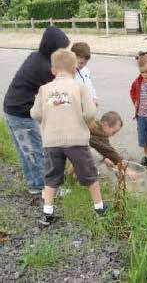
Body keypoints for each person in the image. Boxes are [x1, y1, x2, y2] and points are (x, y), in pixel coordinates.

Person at [30, 49, 108, 227]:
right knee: (89, 174)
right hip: (76, 140)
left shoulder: (44, 89)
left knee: (51, 177)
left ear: (53, 70)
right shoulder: (80, 87)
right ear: (74, 69)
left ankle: (47, 213)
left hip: (51, 141)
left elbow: (35, 113)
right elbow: (89, 113)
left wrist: (49, 119)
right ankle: (99, 208)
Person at [3, 27, 69, 195]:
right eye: (62, 48)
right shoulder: (46, 67)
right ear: (53, 47)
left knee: (26, 151)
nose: (64, 52)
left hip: (12, 109)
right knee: (36, 151)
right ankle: (47, 189)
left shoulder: (36, 56)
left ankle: (34, 185)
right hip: (21, 113)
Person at [88, 111, 137, 179]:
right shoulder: (93, 130)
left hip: (76, 147)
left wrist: (105, 158)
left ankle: (72, 177)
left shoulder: (99, 128)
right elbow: (109, 151)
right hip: (72, 146)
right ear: (105, 124)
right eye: (114, 132)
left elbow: (103, 148)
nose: (113, 135)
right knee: (91, 156)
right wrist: (126, 169)